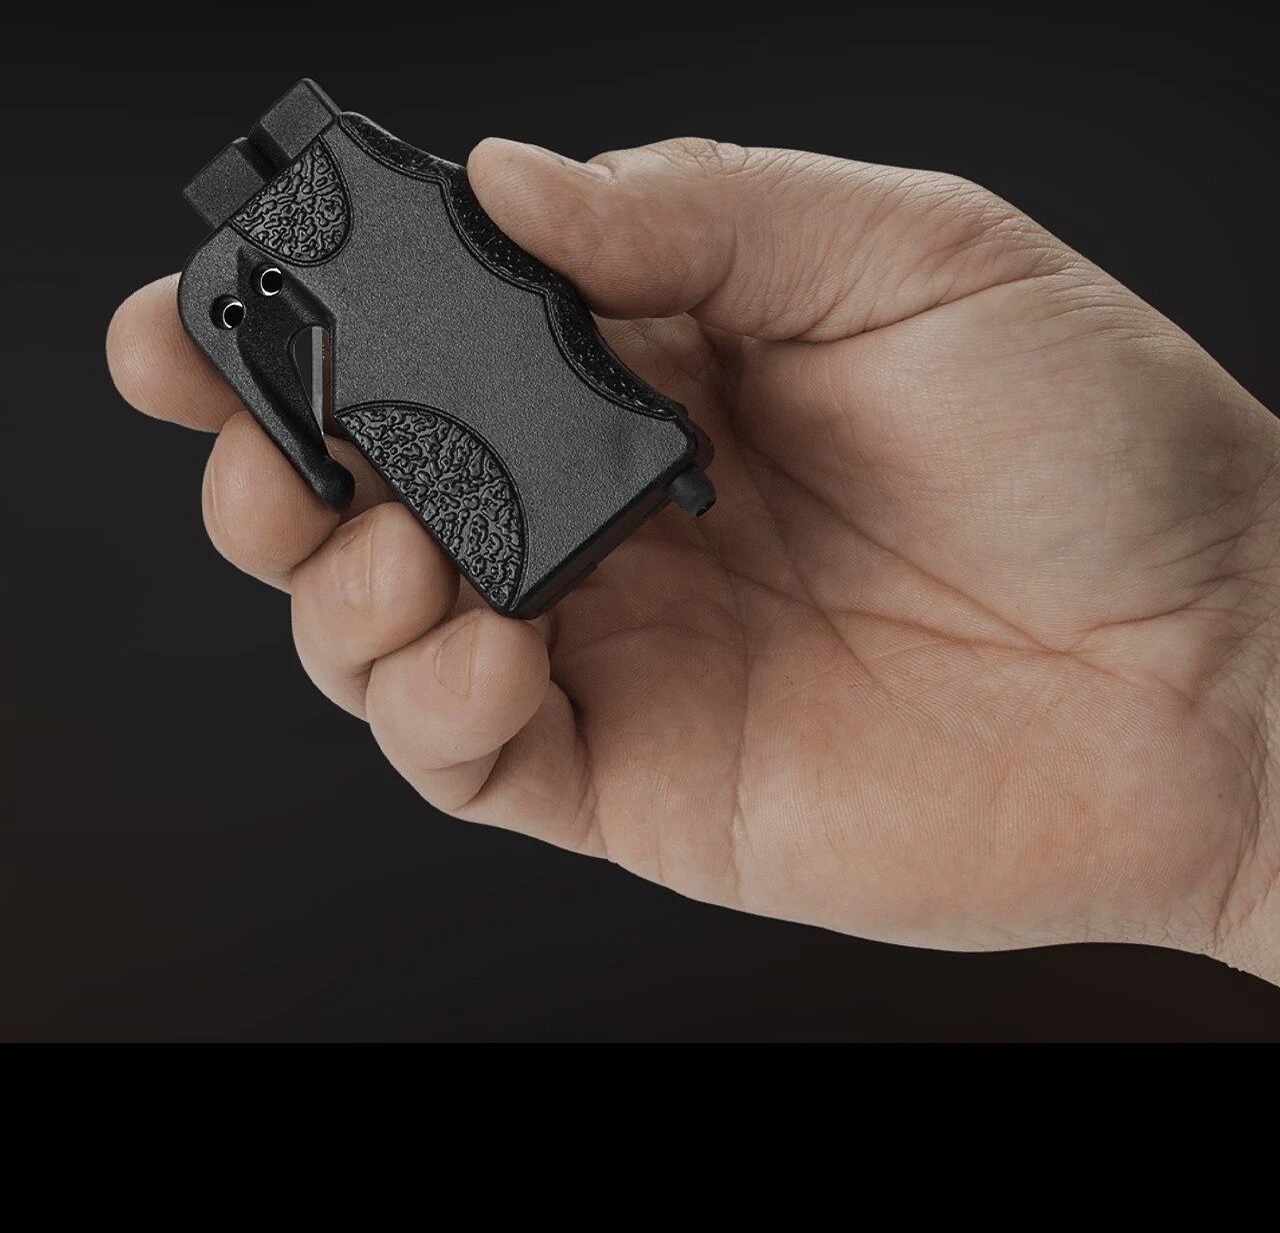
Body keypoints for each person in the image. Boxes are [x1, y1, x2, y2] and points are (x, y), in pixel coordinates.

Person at [106, 137, 1280, 986]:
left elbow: (316, 475)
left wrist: (1241, 641)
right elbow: (312, 473)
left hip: (614, 480)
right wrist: (1239, 786)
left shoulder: (280, 248)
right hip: (637, 461)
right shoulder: (338, 201)